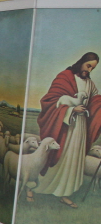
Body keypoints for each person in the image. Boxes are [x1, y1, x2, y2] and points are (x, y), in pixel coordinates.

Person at [35, 52, 101, 208]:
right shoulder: (65, 77)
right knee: (63, 155)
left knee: (74, 157)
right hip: (66, 127)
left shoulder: (90, 84)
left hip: (81, 128)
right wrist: (71, 110)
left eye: (92, 68)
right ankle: (43, 186)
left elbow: (95, 102)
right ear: (82, 62)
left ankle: (65, 193)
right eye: (88, 66)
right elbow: (50, 101)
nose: (89, 70)